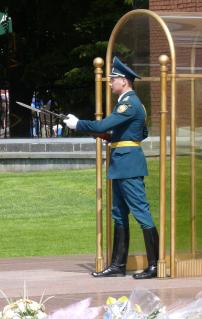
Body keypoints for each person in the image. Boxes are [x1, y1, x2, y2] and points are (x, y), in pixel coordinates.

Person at [63, 57, 159, 280]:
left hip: (128, 164)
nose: (110, 83)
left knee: (141, 213)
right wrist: (112, 137)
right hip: (122, 163)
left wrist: (79, 124)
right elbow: (139, 133)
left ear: (124, 81)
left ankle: (155, 265)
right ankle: (118, 265)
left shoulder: (129, 103)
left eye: (113, 79)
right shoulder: (131, 103)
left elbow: (104, 124)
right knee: (119, 214)